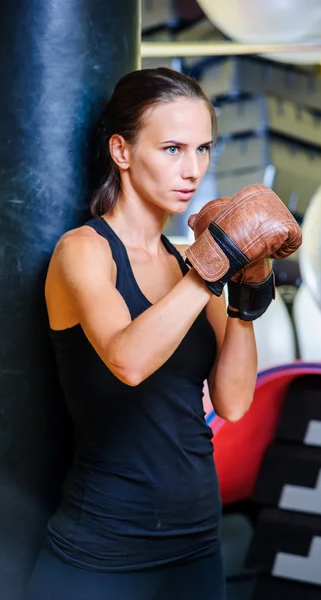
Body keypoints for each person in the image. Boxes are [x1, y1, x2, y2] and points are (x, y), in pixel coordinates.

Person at [23, 67, 258, 600]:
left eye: (203, 149)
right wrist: (212, 270)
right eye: (172, 148)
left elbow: (235, 401)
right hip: (102, 549)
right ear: (122, 152)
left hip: (197, 542)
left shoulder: (188, 265)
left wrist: (244, 299)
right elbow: (128, 361)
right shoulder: (83, 252)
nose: (193, 169)